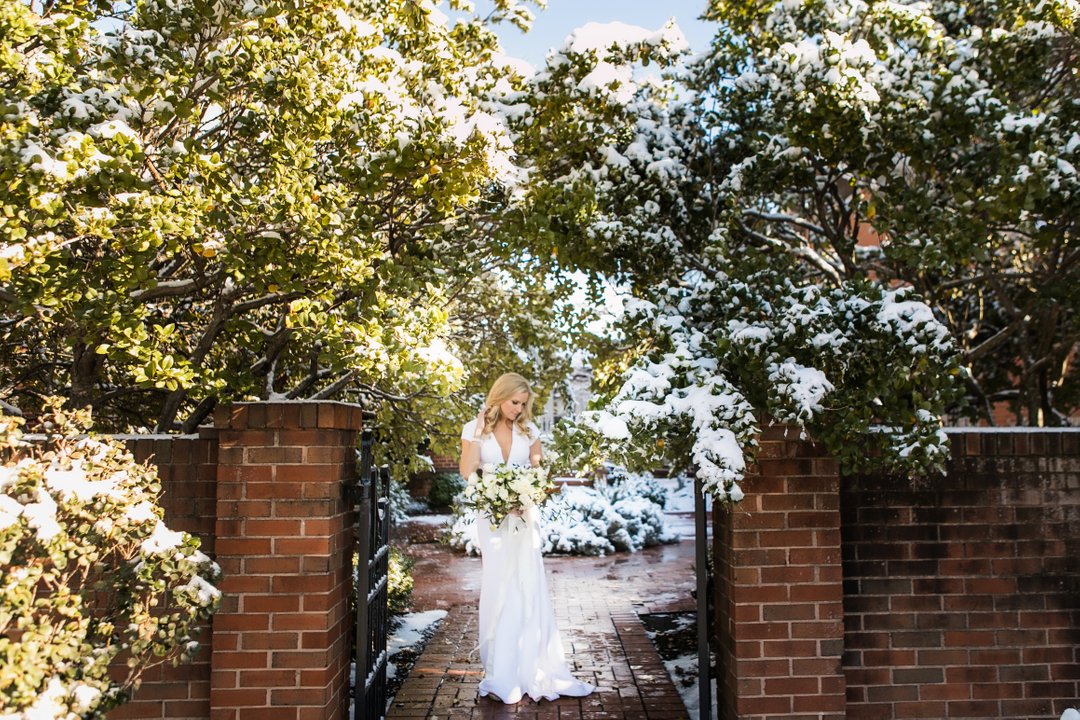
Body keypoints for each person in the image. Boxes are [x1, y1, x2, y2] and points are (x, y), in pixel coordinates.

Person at [459, 372, 596, 704]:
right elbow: (467, 470)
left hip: (524, 517)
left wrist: (527, 497)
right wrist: (493, 492)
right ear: (498, 397)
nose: (518, 409)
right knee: (499, 585)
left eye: (523, 404)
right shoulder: (473, 429)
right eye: (513, 402)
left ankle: (533, 666)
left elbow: (539, 473)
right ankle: (501, 671)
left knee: (527, 585)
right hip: (491, 520)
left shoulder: (530, 431)